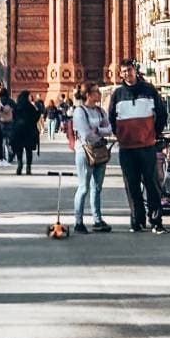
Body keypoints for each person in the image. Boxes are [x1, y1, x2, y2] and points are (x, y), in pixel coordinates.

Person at [107, 58, 167, 234]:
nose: (127, 73)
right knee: (131, 185)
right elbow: (111, 118)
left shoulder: (149, 90)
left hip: (147, 145)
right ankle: (137, 220)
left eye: (130, 70)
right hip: (127, 148)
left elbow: (162, 113)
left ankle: (156, 220)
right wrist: (121, 135)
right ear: (120, 74)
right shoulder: (117, 94)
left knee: (152, 183)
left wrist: (154, 133)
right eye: (124, 71)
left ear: (135, 70)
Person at [72, 82, 113, 233]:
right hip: (84, 152)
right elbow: (86, 133)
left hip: (100, 151)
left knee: (97, 187)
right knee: (83, 187)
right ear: (88, 95)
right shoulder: (79, 112)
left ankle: (97, 219)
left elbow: (110, 129)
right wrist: (100, 131)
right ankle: (78, 221)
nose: (99, 94)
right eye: (96, 91)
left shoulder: (100, 111)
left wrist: (99, 130)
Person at [11, 90, 40, 175]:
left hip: (18, 131)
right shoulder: (30, 107)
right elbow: (35, 118)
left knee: (19, 149)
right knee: (28, 150)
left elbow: (13, 118)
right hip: (29, 131)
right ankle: (28, 167)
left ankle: (19, 165)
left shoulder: (16, 107)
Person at [0, 87, 16, 163]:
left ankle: (3, 156)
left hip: (1, 122)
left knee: (2, 141)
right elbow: (16, 111)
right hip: (10, 123)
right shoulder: (11, 101)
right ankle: (11, 153)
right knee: (9, 141)